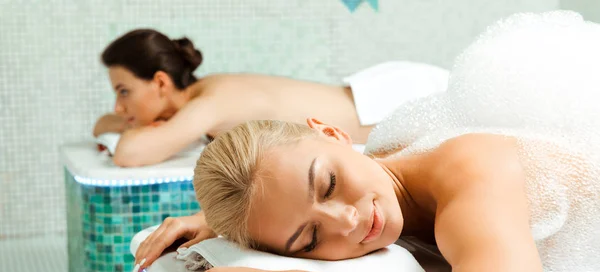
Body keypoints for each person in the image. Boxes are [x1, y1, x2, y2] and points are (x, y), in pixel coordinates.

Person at [133, 11, 600, 272]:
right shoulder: (375, 162)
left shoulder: (473, 168)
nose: (348, 220)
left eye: (329, 184)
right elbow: (294, 194)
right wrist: (215, 220)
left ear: (335, 134)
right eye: (310, 238)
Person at [94, 29, 448, 167]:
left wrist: (132, 128)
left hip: (397, 103)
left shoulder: (210, 104)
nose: (118, 107)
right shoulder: (202, 96)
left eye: (124, 91)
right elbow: (102, 125)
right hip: (379, 102)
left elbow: (129, 153)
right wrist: (125, 120)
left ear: (159, 82)